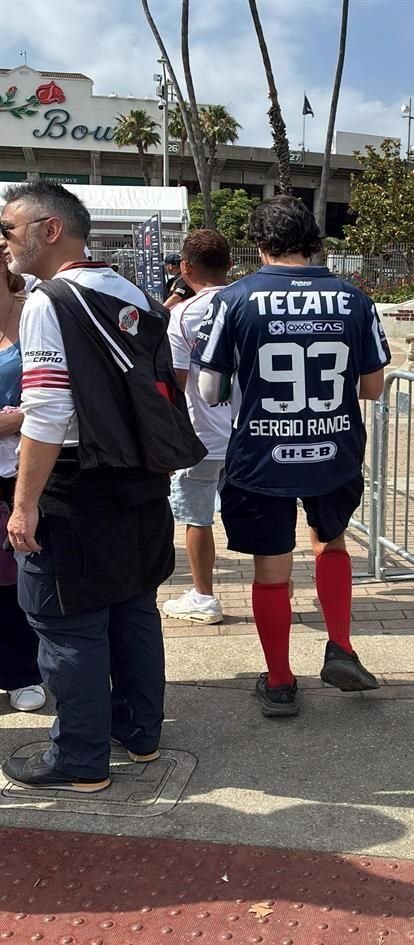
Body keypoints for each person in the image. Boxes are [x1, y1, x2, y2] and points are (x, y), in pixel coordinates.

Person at [0, 180, 205, 793]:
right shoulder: (130, 291)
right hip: (139, 479)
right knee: (133, 608)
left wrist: (24, 504)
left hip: (74, 484)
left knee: (66, 620)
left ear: (49, 229)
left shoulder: (49, 301)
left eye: (10, 230)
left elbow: (46, 412)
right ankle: (140, 734)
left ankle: (80, 759)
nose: (5, 243)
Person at [191, 195, 391, 718]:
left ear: (260, 245)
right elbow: (373, 386)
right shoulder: (354, 299)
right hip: (335, 448)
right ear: (315, 242)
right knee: (331, 541)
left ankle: (280, 681)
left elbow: (210, 389)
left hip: (261, 453)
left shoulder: (232, 299)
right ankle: (342, 647)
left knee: (271, 569)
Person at [163, 230, 232, 624]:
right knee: (264, 513)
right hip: (252, 433)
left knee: (197, 517)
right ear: (229, 265)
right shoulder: (246, 303)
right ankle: (276, 587)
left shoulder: (183, 315)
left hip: (202, 433)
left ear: (185, 267)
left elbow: (176, 380)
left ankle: (204, 596)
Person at [0, 254, 46, 713]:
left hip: (22, 468)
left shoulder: (35, 308)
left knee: (16, 578)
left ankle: (21, 670)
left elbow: (57, 395)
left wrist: (21, 418)